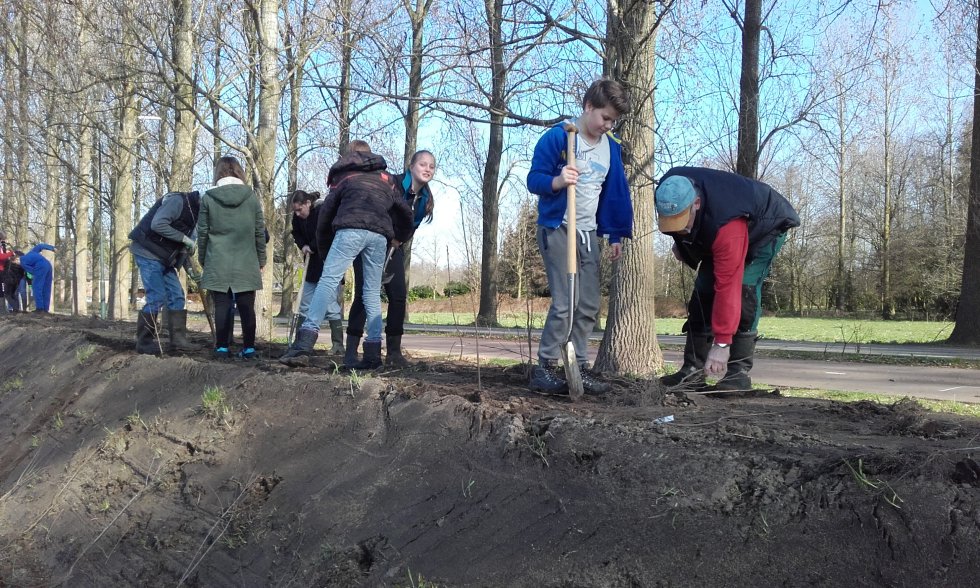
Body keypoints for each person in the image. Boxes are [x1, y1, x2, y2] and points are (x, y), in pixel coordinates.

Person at [525, 78, 634, 395]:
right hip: (558, 226)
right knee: (565, 302)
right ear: (588, 107)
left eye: (613, 120)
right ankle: (544, 368)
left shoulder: (610, 148)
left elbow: (615, 193)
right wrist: (558, 180)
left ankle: (578, 367)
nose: (608, 125)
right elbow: (534, 179)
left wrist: (614, 233)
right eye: (605, 117)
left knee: (587, 304)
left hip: (588, 233)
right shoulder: (560, 138)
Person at [655, 167, 800, 393]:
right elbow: (678, 222)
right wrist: (681, 242)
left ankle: (737, 373)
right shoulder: (669, 188)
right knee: (703, 290)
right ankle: (692, 370)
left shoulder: (727, 226)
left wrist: (722, 343)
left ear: (696, 203)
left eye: (682, 221)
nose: (679, 228)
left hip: (764, 229)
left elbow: (728, 286)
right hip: (717, 225)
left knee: (743, 289)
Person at [280, 140, 413, 369]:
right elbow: (405, 212)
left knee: (327, 282)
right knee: (371, 293)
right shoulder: (387, 180)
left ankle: (303, 344)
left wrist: (323, 249)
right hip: (379, 236)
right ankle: (372, 354)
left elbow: (327, 213)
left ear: (350, 156)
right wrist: (399, 237)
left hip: (350, 230)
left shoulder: (344, 177)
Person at [344, 149, 435, 368]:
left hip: (394, 246)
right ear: (411, 166)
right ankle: (350, 352)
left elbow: (411, 226)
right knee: (366, 294)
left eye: (432, 166)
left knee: (398, 295)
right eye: (423, 164)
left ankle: (393, 352)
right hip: (370, 241)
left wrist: (399, 239)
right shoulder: (391, 183)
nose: (427, 169)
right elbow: (374, 208)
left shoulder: (424, 200)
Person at [197, 155, 267, 360]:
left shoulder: (208, 198)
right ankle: (249, 348)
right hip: (246, 259)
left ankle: (222, 348)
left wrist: (203, 259)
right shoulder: (251, 197)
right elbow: (258, 232)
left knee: (222, 305)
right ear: (240, 173)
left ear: (217, 173)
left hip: (217, 259)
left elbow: (203, 233)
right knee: (247, 306)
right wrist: (261, 260)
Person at [129, 190, 202, 354]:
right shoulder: (178, 202)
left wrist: (190, 270)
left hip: (165, 258)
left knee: (177, 295)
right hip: (147, 251)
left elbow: (184, 249)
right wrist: (184, 239)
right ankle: (144, 342)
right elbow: (158, 224)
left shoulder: (196, 218)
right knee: (156, 296)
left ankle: (178, 340)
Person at [288, 190, 344, 355]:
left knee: (332, 305)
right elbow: (296, 233)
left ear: (307, 203)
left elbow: (326, 234)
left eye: (300, 210)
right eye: (295, 211)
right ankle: (300, 342)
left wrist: (312, 245)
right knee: (305, 304)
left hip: (329, 263)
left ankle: (338, 345)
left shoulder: (322, 211)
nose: (298, 214)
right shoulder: (297, 219)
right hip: (311, 265)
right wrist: (303, 245)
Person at [17, 243, 55, 313]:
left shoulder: (22, 261)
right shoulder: (32, 252)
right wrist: (52, 248)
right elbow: (40, 246)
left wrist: (36, 276)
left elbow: (31, 271)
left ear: (17, 258)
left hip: (40, 267)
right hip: (48, 265)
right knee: (46, 287)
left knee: (37, 287)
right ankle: (45, 309)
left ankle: (40, 308)